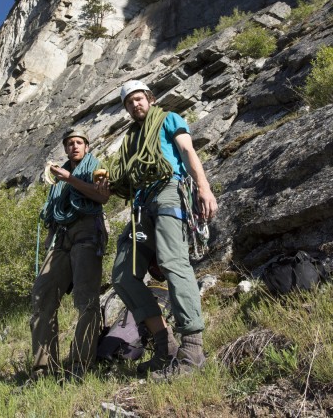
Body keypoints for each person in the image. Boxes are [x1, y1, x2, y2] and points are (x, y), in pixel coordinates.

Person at [110, 80, 218, 378]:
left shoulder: (169, 118)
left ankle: (193, 349)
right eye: (129, 102)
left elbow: (187, 150)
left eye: (139, 98)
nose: (135, 104)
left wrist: (203, 187)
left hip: (169, 189)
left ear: (150, 98)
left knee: (173, 262)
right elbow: (126, 180)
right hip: (140, 204)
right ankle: (165, 346)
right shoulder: (130, 140)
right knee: (122, 275)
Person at [30, 128, 110, 381]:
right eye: (70, 144)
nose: (74, 147)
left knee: (86, 300)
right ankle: (43, 369)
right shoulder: (59, 177)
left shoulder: (96, 168)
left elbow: (102, 196)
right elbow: (55, 207)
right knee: (42, 298)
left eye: (79, 143)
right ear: (65, 149)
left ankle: (80, 365)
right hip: (60, 235)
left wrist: (69, 178)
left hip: (88, 230)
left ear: (86, 147)